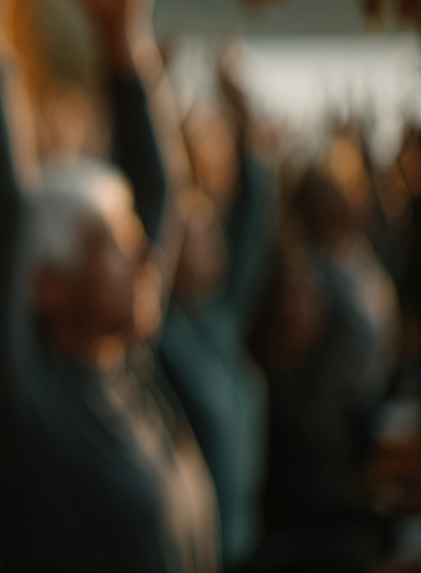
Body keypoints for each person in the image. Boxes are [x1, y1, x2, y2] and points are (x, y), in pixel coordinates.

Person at [0, 0, 219, 573]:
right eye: (112, 244)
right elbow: (4, 208)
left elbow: (159, 192)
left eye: (133, 239)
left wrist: (123, 37)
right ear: (46, 285)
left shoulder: (128, 365)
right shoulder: (16, 404)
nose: (145, 255)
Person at [157, 54, 277, 570]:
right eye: (197, 234)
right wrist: (152, 93)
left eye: (211, 231)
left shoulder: (221, 317)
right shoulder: (159, 335)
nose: (215, 243)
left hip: (247, 547)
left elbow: (254, 222)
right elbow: (151, 189)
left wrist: (243, 116)